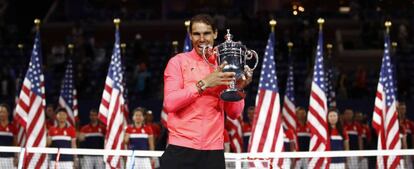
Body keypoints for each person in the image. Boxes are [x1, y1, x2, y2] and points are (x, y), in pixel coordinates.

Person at [161, 14, 251, 169]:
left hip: (213, 152)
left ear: (215, 34)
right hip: (180, 150)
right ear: (190, 36)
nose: (201, 39)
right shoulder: (177, 62)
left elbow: (234, 113)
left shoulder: (223, 64)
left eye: (207, 33)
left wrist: (238, 87)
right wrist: (204, 84)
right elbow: (170, 103)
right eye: (196, 34)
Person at [0, 103, 17, 169]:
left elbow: (15, 143)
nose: (1, 114)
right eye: (0, 112)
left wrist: (16, 156)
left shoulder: (12, 127)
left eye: (3, 112)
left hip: (10, 159)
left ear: (8, 113)